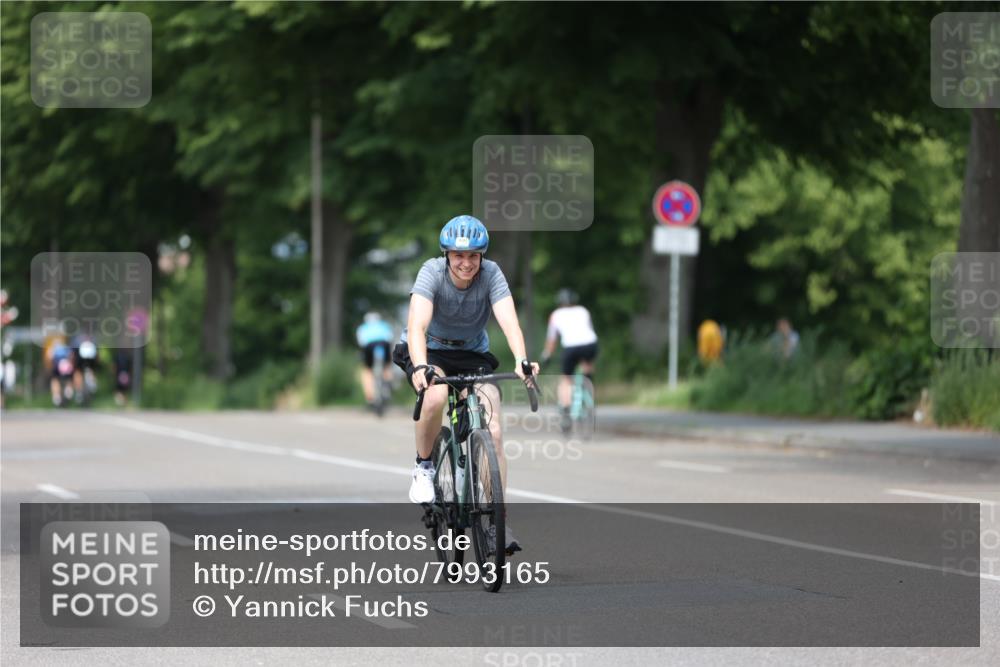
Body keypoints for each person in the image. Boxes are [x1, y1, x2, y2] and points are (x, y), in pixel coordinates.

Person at [392, 215, 537, 554]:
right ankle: (424, 467)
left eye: (473, 255)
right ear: (446, 255)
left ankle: (497, 520)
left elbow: (509, 322)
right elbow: (416, 326)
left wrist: (521, 360)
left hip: (472, 353)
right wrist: (422, 366)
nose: (466, 263)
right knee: (436, 396)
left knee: (494, 428)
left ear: (482, 256)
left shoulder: (492, 274)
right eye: (459, 256)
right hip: (429, 349)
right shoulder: (431, 272)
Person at [541, 289, 598, 432]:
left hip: (571, 347)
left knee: (566, 379)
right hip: (590, 344)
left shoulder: (555, 315)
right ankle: (588, 382)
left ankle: (566, 411)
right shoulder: (583, 310)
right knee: (587, 364)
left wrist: (547, 355)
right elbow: (589, 330)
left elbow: (552, 340)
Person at [355, 312, 394, 410]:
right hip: (384, 344)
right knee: (387, 365)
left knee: (367, 370)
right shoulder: (384, 325)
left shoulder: (363, 328)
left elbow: (361, 342)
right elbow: (390, 338)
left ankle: (370, 397)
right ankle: (388, 382)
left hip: (369, 347)